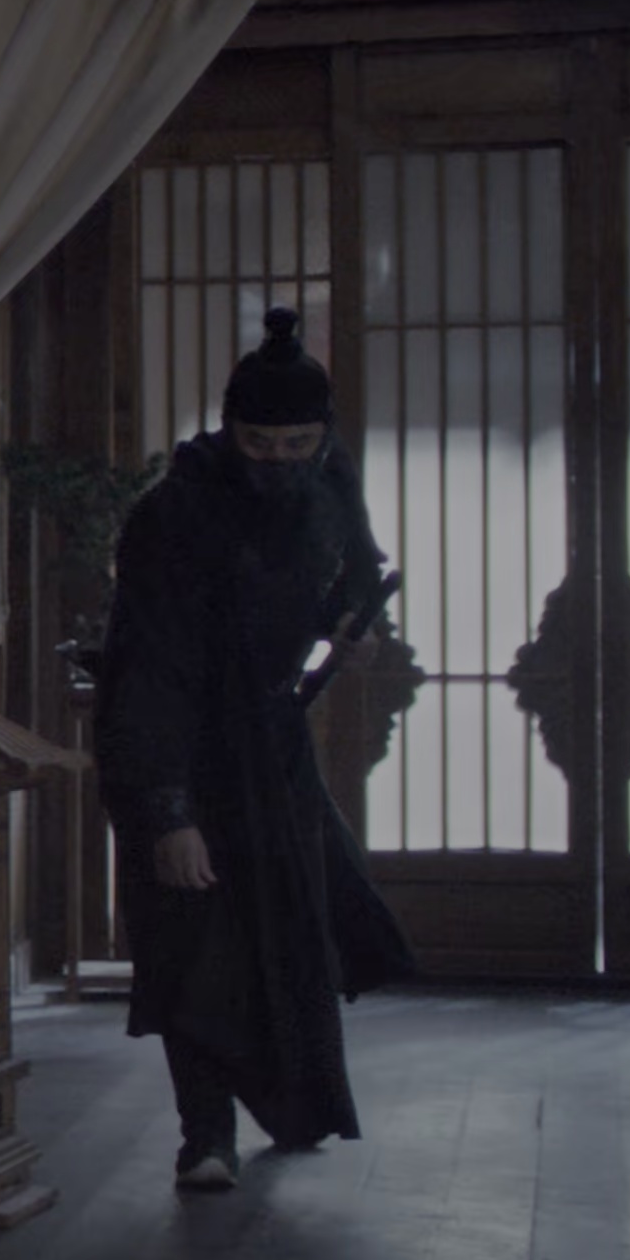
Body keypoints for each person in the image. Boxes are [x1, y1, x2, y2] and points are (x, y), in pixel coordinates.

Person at [95, 309, 418, 1191]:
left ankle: (296, 1105)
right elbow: (149, 670)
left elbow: (354, 575)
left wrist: (353, 633)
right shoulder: (174, 513)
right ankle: (205, 1135)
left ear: (322, 436)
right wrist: (167, 812)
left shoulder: (330, 479)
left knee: (288, 933)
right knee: (194, 942)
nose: (278, 460)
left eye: (297, 444)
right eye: (259, 443)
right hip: (179, 741)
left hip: (272, 744)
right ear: (229, 428)